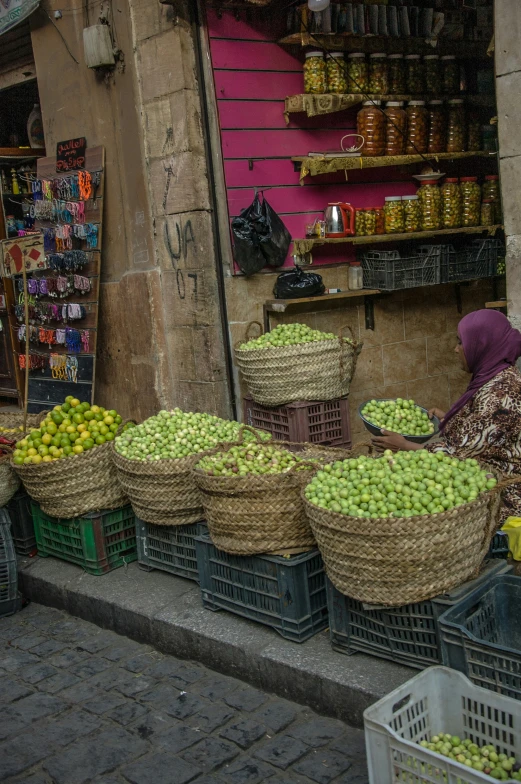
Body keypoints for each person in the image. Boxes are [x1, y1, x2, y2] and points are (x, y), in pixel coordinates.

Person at [372, 309, 521, 522]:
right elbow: (480, 431)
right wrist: (451, 418)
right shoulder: (495, 373)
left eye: (461, 342)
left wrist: (405, 446)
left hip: (500, 491)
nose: (455, 349)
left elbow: (460, 456)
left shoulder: (500, 394)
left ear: (482, 345)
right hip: (478, 473)